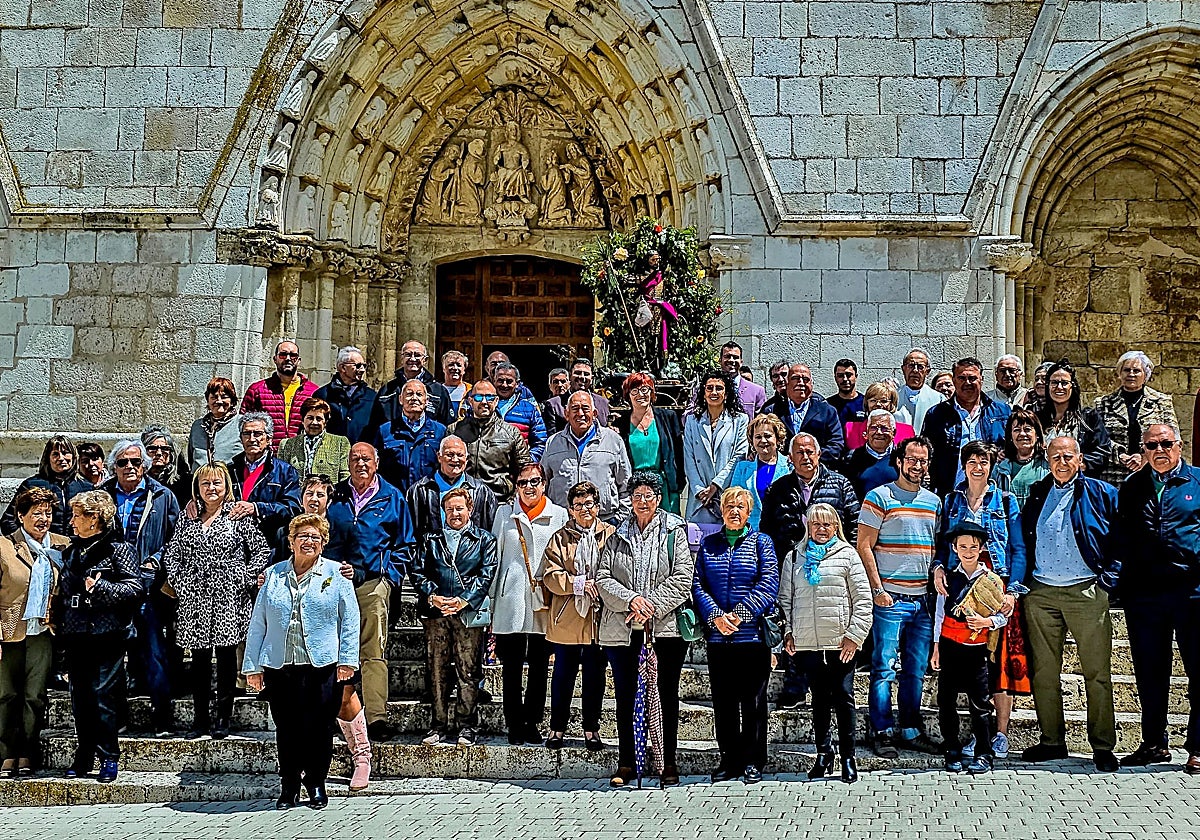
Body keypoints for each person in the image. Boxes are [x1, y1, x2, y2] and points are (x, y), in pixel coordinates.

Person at [1018, 435, 1120, 772]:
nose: (1062, 462)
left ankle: (1103, 746)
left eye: (1068, 456)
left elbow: (1123, 539)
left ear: (1080, 459)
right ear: (1047, 460)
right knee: (1044, 673)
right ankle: (1052, 741)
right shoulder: (1036, 494)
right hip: (1041, 593)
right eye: (1055, 456)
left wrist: (1107, 582)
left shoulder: (1101, 493)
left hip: (1086, 593)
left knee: (1097, 673)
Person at [243, 513, 359, 810]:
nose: (308, 541)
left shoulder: (336, 575)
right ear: (290, 542)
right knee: (287, 727)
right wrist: (252, 666)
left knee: (319, 728)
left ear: (323, 543)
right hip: (281, 665)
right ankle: (289, 784)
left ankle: (316, 782)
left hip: (323, 665)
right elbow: (258, 624)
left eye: (315, 537)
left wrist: (347, 660)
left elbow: (350, 621)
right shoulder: (272, 575)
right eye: (302, 537)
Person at [932, 440, 1029, 760]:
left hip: (995, 586)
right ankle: (978, 733)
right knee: (975, 666)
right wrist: (937, 569)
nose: (977, 467)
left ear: (991, 466)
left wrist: (1013, 590)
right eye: (971, 461)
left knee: (997, 666)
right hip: (961, 586)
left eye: (983, 462)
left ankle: (998, 734)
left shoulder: (1005, 499)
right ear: (964, 466)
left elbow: (1017, 548)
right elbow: (943, 543)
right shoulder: (951, 500)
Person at [161, 461, 273, 739]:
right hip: (194, 597)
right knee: (198, 661)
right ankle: (200, 718)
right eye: (205, 483)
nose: (211, 488)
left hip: (229, 598)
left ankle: (223, 717)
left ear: (226, 487)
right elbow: (172, 552)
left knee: (225, 659)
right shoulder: (188, 518)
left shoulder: (238, 517)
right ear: (197, 489)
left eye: (217, 483)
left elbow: (261, 550)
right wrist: (179, 580)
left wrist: (244, 578)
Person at [597, 471, 694, 787]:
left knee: (665, 694)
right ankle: (627, 761)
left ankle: (667, 762)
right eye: (636, 496)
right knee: (626, 695)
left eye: (648, 496)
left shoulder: (673, 531)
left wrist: (650, 603)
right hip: (623, 627)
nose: (642, 502)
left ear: (658, 498)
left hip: (664, 629)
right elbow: (602, 578)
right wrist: (631, 600)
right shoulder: (616, 534)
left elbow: (682, 577)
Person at [1115, 423, 1200, 772]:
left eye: (1166, 443)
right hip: (1146, 595)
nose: (1159, 450)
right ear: (1143, 450)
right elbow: (1122, 536)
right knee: (1150, 672)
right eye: (1151, 446)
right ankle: (1153, 743)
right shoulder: (1133, 487)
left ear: (1179, 445)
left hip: (1192, 593)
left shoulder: (1198, 481)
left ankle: (1197, 747)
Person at [759, 431, 859, 709]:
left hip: (832, 568)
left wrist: (845, 559)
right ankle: (795, 686)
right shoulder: (778, 489)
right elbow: (767, 532)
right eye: (799, 453)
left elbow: (852, 526)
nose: (805, 457)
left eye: (810, 452)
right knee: (794, 623)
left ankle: (829, 687)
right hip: (792, 567)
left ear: (819, 454)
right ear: (790, 458)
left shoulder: (839, 485)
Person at [857, 435, 941, 757]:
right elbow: (864, 544)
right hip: (889, 598)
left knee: (915, 669)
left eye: (923, 460)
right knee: (883, 668)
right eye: (912, 459)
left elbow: (935, 549)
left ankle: (909, 729)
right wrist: (877, 590)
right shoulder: (879, 497)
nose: (917, 465)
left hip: (922, 601)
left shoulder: (934, 502)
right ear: (900, 461)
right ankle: (881, 730)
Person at [325, 443, 412, 742]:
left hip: (372, 583)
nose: (361, 463)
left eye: (367, 458)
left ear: (377, 462)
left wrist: (388, 574)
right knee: (332, 650)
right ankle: (336, 714)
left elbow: (405, 545)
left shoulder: (392, 497)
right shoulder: (335, 495)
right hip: (334, 583)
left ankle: (376, 717)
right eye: (355, 459)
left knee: (372, 649)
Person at [56, 490, 145, 782]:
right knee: (80, 697)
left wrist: (101, 587)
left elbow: (135, 589)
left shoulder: (119, 549)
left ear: (94, 519)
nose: (71, 521)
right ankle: (84, 753)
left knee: (103, 695)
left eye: (77, 515)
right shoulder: (70, 551)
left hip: (108, 634)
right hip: (76, 634)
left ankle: (108, 755)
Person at [693, 487, 779, 785]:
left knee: (753, 703)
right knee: (724, 702)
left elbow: (768, 584)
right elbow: (698, 586)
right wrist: (716, 617)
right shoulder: (709, 545)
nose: (734, 511)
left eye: (740, 506)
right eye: (729, 505)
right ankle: (729, 759)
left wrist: (740, 615)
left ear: (749, 511)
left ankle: (754, 760)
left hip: (751, 639)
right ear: (721, 510)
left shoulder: (761, 542)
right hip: (719, 639)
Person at [779, 503, 870, 784]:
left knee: (843, 698)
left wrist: (854, 636)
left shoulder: (847, 556)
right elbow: (785, 600)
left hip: (841, 642)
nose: (820, 529)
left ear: (836, 527)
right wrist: (788, 632)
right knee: (818, 699)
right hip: (808, 643)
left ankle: (848, 757)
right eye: (815, 524)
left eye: (826, 524)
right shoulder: (795, 556)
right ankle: (823, 753)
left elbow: (863, 600)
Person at [103, 438, 180, 736]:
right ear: (114, 467)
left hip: (148, 585)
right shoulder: (103, 495)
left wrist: (157, 561)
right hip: (112, 587)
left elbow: (175, 538)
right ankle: (117, 717)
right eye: (123, 463)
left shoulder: (162, 496)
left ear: (145, 465)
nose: (130, 467)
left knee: (154, 650)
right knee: (112, 655)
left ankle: (162, 717)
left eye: (136, 462)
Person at [410, 488, 498, 747]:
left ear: (469, 509)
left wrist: (464, 600)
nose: (455, 513)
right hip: (436, 613)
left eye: (460, 508)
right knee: (436, 670)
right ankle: (438, 725)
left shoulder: (484, 539)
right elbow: (417, 570)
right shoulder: (430, 539)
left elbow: (486, 572)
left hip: (467, 614)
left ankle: (467, 725)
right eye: (449, 509)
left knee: (468, 670)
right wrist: (432, 596)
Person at [489, 463, 568, 744]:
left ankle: (532, 721)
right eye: (523, 482)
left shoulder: (559, 515)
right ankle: (514, 723)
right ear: (516, 486)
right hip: (510, 598)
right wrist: (491, 601)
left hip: (543, 601)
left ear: (544, 484)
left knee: (538, 665)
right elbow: (495, 558)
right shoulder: (504, 514)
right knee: (510, 666)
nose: (529, 487)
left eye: (535, 481)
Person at [541, 481, 615, 752]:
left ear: (598, 506)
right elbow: (549, 575)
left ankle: (591, 729)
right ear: (570, 510)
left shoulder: (611, 535)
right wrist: (578, 583)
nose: (584, 509)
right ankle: (557, 727)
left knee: (595, 675)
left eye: (589, 504)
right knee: (563, 673)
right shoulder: (560, 538)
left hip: (599, 617)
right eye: (578, 505)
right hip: (567, 615)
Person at [0, 488, 69, 776]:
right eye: (36, 513)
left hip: (43, 631)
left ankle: (27, 752)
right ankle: (5, 753)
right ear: (20, 515)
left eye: (48, 513)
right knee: (6, 694)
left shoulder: (63, 545)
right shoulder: (4, 546)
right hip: (9, 631)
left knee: (35, 696)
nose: (43, 519)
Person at [932, 521, 1007, 775]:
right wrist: (936, 648)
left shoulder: (992, 581)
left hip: (977, 651)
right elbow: (939, 615)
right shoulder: (948, 579)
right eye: (962, 546)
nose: (967, 551)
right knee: (946, 701)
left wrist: (986, 622)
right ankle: (952, 748)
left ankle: (984, 754)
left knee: (980, 704)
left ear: (981, 548)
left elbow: (1003, 617)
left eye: (973, 547)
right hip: (950, 647)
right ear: (954, 548)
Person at [922, 357, 1011, 496]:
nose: (967, 383)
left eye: (972, 378)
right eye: (962, 378)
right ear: (954, 380)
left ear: (981, 379)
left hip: (993, 493)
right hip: (950, 493)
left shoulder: (1003, 413)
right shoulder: (936, 415)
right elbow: (928, 453)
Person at [542, 391, 631, 525]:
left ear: (594, 414)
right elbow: (544, 483)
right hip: (563, 523)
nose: (580, 413)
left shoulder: (613, 441)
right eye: (575, 409)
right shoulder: (553, 443)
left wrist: (620, 519)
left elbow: (626, 484)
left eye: (585, 408)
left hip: (604, 522)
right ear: (566, 414)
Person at [1093, 350, 1179, 486]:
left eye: (1136, 370)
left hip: (1152, 472)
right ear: (1119, 373)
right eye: (1126, 370)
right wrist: (1120, 455)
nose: (1131, 374)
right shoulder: (1103, 403)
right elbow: (1098, 438)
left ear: (1145, 374)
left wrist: (1145, 456)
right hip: (1113, 476)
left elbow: (1174, 438)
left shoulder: (1162, 402)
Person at [447, 380, 532, 504]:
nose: (484, 402)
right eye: (479, 397)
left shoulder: (511, 433)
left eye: (489, 397)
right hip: (463, 502)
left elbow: (525, 471)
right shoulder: (454, 431)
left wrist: (512, 501)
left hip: (500, 501)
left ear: (496, 401)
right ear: (470, 401)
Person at [683, 369, 749, 525]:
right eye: (709, 388)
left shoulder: (740, 420)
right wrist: (700, 490)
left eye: (719, 388)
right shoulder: (692, 421)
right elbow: (689, 458)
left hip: (726, 493)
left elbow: (739, 456)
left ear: (726, 394)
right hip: (699, 497)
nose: (714, 392)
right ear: (704, 393)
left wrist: (715, 486)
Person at [613, 372, 684, 515]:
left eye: (645, 389)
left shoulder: (668, 417)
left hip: (664, 487)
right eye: (635, 390)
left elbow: (679, 452)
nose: (641, 394)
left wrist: (679, 482)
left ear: (652, 393)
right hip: (635, 488)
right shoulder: (620, 424)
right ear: (628, 395)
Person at [228, 414, 303, 549]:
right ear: (241, 439)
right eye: (247, 434)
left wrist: (257, 508)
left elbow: (292, 508)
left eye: (257, 434)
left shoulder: (285, 472)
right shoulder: (230, 470)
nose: (252, 439)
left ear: (268, 439)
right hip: (232, 543)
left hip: (269, 542)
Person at [407, 436, 500, 537]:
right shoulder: (419, 491)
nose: (455, 459)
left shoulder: (482, 492)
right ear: (439, 457)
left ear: (466, 459)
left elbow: (492, 533)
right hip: (430, 552)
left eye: (460, 455)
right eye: (450, 454)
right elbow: (409, 534)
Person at [0, 436, 92, 537]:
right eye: (55, 454)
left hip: (76, 548)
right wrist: (28, 542)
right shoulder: (32, 485)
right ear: (48, 458)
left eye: (65, 453)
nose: (61, 458)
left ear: (74, 456)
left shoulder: (86, 487)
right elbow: (8, 520)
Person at [1036, 359, 1111, 476]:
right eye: (1054, 382)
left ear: (1072, 386)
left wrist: (1078, 465)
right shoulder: (1038, 419)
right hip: (1043, 483)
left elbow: (1102, 451)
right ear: (1048, 386)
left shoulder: (1088, 418)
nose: (1059, 387)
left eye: (1064, 383)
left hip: (1078, 483)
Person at [241, 340, 320, 451]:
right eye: (283, 355)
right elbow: (243, 425)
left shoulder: (313, 391)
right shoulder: (257, 390)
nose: (288, 358)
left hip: (301, 456)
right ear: (275, 359)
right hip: (267, 457)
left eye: (293, 355)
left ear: (298, 360)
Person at [375, 379, 447, 494]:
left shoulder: (440, 431)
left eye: (419, 394)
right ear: (400, 399)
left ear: (426, 400)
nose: (414, 398)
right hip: (395, 499)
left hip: (429, 498)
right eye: (409, 394)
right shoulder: (385, 431)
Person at [768, 363, 845, 463]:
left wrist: (811, 458)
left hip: (818, 470)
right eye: (795, 378)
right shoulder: (772, 412)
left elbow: (836, 444)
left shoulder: (827, 411)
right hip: (781, 472)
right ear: (787, 384)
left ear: (812, 384)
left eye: (806, 379)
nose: (800, 383)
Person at [372, 340, 454, 432]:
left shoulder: (438, 391)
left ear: (425, 360)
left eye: (417, 355)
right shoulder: (387, 390)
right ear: (402, 358)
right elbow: (374, 426)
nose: (413, 359)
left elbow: (448, 426)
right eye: (408, 355)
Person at [728, 413, 792, 530]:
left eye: (767, 436)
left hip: (782, 534)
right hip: (749, 533)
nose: (763, 440)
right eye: (758, 437)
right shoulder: (742, 468)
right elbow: (733, 502)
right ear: (752, 441)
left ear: (778, 439)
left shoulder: (790, 467)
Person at [277, 397, 351, 483]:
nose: (314, 422)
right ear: (302, 420)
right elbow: (280, 477)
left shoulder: (340, 443)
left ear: (325, 422)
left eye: (319, 419)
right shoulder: (287, 444)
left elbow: (345, 476)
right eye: (310, 418)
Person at [313, 346, 378, 444]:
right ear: (342, 367)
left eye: (364, 366)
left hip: (360, 454)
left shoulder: (372, 396)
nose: (362, 370)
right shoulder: (323, 394)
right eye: (358, 365)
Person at [993, 408, 1050, 507]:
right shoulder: (1000, 466)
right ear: (1010, 436)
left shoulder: (1048, 464)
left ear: (1037, 435)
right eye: (1017, 430)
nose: (1022, 434)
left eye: (1027, 429)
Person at [493, 362, 548, 461]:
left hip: (519, 469)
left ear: (517, 384)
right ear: (494, 381)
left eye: (509, 381)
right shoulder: (484, 405)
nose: (504, 385)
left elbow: (540, 442)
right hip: (488, 469)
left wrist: (527, 462)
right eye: (500, 380)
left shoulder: (529, 409)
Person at [842, 410, 901, 500]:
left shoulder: (903, 457)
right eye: (874, 428)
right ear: (867, 432)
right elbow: (846, 494)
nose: (879, 432)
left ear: (894, 433)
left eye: (884, 428)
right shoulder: (851, 458)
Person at [542, 358, 611, 433]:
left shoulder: (603, 403)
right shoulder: (554, 405)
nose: (582, 377)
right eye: (577, 373)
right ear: (570, 376)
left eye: (586, 374)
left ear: (592, 378)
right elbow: (551, 438)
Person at [188, 377, 242, 469]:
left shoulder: (241, 423)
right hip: (201, 481)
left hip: (230, 481)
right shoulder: (197, 426)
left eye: (224, 397)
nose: (219, 401)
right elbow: (191, 457)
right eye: (214, 397)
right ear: (208, 401)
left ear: (232, 401)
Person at [844, 381, 916, 451]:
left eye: (884, 401)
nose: (878, 404)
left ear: (892, 404)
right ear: (867, 403)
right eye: (873, 400)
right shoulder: (850, 428)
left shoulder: (907, 431)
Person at [141, 425, 192, 506]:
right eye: (152, 448)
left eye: (164, 448)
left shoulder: (183, 481)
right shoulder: (138, 480)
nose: (159, 453)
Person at [896, 348, 944, 434]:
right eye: (911, 365)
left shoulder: (939, 399)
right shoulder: (893, 396)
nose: (915, 370)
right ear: (903, 369)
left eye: (920, 367)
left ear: (927, 371)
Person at [718, 342, 767, 418]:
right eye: (727, 356)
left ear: (741, 362)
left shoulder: (757, 391)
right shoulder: (707, 389)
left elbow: (761, 423)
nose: (731, 360)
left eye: (735, 357)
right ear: (720, 360)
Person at [827, 358, 865, 425]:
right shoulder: (827, 405)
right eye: (840, 376)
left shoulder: (866, 403)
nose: (845, 379)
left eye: (849, 375)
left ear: (856, 376)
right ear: (835, 378)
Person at [440, 350, 472, 416]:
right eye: (451, 365)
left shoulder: (471, 390)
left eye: (459, 365)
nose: (455, 368)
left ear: (464, 369)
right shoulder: (436, 390)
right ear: (443, 368)